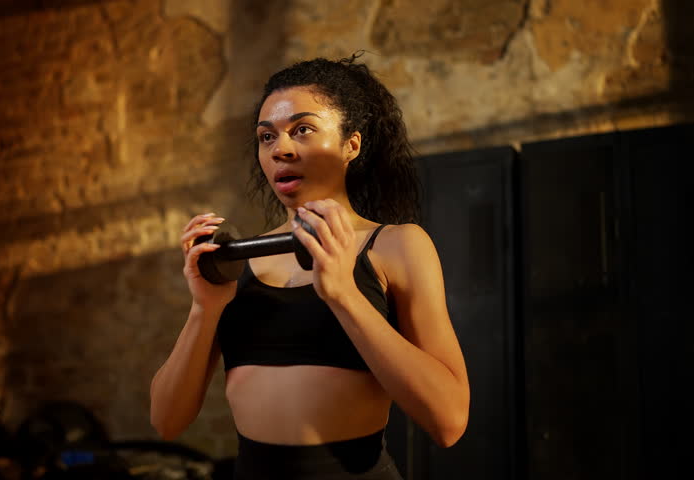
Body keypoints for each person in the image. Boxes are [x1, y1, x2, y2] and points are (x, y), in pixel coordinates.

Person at [149, 52, 470, 479]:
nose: (280, 149)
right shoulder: (242, 259)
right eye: (267, 137)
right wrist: (203, 309)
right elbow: (166, 421)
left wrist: (343, 295)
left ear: (350, 144)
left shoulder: (396, 246)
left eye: (302, 130)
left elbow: (448, 421)